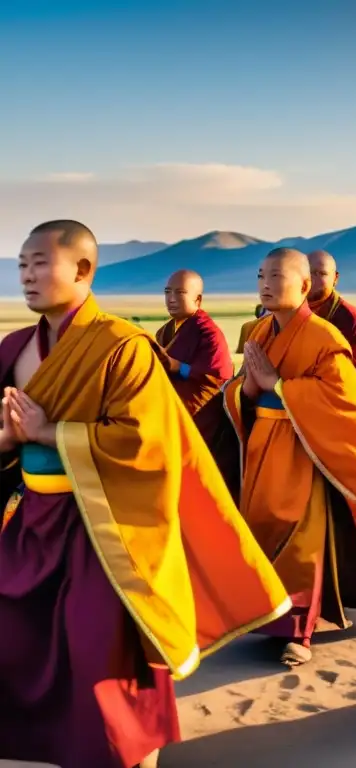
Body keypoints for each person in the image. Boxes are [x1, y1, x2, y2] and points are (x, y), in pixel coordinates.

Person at [0, 221, 289, 768]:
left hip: (105, 529)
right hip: (33, 521)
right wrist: (11, 438)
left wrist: (50, 433)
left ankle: (131, 752)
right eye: (20, 265)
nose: (27, 275)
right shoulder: (15, 346)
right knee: (19, 636)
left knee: (101, 653)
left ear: (83, 270)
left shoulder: (122, 347)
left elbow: (145, 443)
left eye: (40, 262)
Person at [224, 248, 356, 667]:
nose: (265, 284)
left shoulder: (325, 337)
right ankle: (271, 616)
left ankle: (300, 629)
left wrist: (280, 386)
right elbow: (238, 387)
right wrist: (248, 390)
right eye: (261, 276)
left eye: (276, 276)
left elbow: (344, 399)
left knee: (302, 540)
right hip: (264, 446)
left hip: (305, 449)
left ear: (304, 286)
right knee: (261, 527)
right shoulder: (259, 333)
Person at [155, 269, 235, 445]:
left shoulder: (209, 334)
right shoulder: (165, 332)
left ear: (197, 299)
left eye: (180, 293)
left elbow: (219, 378)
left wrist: (178, 367)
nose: (171, 299)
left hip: (199, 419)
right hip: (170, 413)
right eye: (167, 292)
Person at [306, 249, 356, 418]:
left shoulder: (350, 319)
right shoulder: (291, 312)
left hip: (339, 412)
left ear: (335, 278)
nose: (313, 279)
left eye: (321, 273)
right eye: (309, 273)